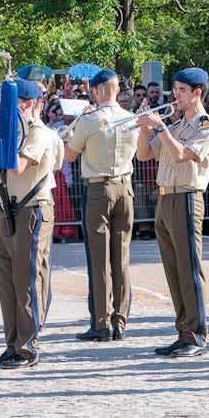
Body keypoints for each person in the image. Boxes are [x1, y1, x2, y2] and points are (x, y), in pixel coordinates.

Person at [0, 79, 64, 367]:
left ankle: (28, 347)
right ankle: (12, 344)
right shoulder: (11, 135)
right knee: (7, 284)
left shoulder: (38, 132)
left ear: (26, 104)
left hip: (30, 210)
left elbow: (17, 167)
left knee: (26, 281)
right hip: (5, 210)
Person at [138, 68, 209, 358]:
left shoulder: (206, 126)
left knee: (189, 270)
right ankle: (183, 331)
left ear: (197, 93)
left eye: (182, 90)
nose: (175, 95)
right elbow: (144, 155)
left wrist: (159, 127)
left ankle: (196, 335)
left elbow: (180, 155)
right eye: (175, 89)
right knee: (174, 271)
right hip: (165, 199)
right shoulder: (175, 126)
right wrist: (144, 126)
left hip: (186, 198)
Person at [64, 70, 139, 342]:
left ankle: (100, 322)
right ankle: (121, 321)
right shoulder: (131, 118)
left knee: (99, 260)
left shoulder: (90, 119)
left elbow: (69, 154)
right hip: (125, 187)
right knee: (121, 259)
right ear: (117, 90)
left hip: (98, 188)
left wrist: (74, 125)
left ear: (95, 91)